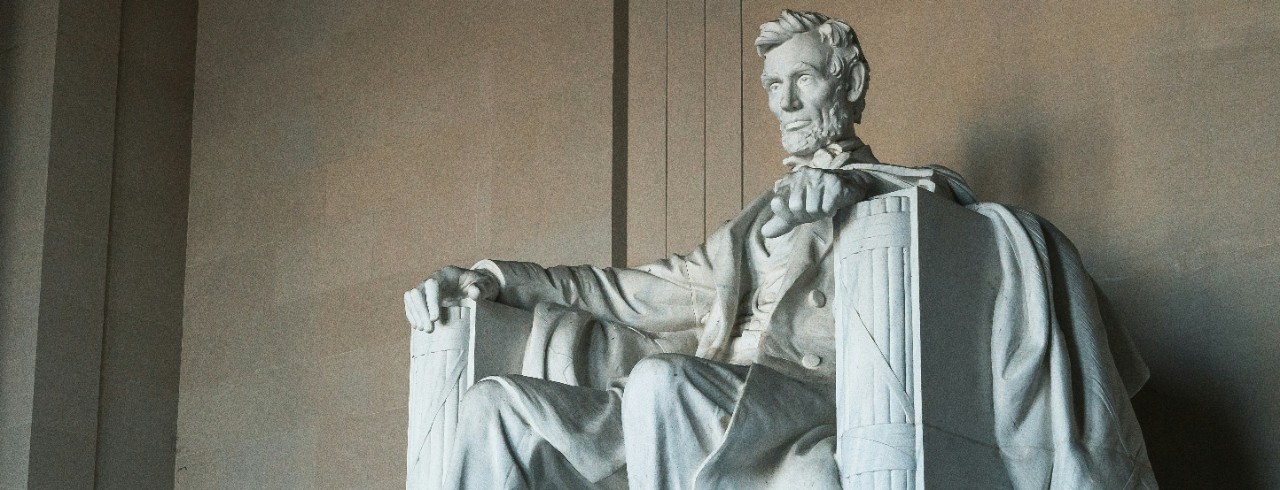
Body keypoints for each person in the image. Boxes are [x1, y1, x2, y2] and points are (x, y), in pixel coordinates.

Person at [404, 10, 1156, 489]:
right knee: (492, 407)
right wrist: (495, 279)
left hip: (805, 405)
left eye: (804, 77)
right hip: (700, 401)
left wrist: (859, 203)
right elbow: (629, 292)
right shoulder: (751, 226)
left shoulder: (913, 198)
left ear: (848, 82)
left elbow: (967, 246)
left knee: (666, 386)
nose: (787, 102)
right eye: (773, 85)